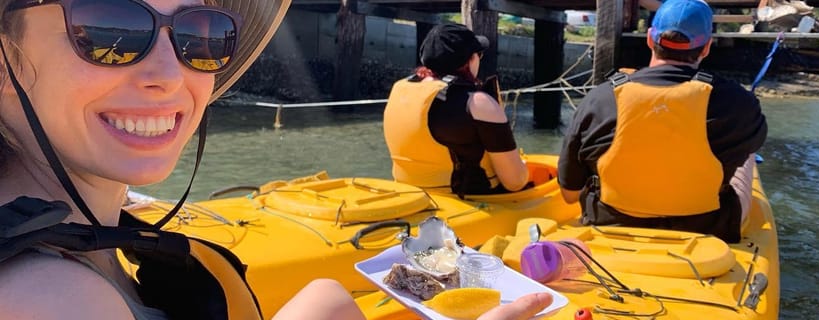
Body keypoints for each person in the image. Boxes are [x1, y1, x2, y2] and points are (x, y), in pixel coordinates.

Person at [0, 0, 551, 318]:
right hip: (462, 197)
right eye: (108, 30)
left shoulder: (77, 231)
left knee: (328, 300)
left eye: (202, 35)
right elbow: (514, 176)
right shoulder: (49, 299)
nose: (171, 75)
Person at [557, 0, 767, 243]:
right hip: (709, 228)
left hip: (609, 222)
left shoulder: (599, 98)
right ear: (707, 47)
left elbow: (570, 194)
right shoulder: (739, 103)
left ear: (649, 39)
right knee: (747, 153)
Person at [383, 23, 529, 199]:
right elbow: (515, 182)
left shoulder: (400, 89)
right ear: (469, 60)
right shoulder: (478, 103)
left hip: (410, 197)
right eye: (479, 54)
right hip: (468, 202)